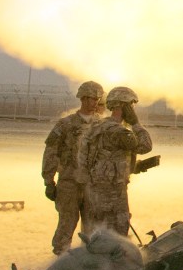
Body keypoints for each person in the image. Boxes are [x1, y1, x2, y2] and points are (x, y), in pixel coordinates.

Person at [77, 86, 153, 237]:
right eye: (131, 106)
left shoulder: (95, 127)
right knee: (117, 234)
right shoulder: (118, 131)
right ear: (124, 106)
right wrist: (135, 123)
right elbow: (146, 145)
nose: (133, 110)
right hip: (113, 193)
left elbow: (86, 158)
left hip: (92, 191)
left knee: (94, 233)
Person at [41, 80, 104, 254]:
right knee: (66, 224)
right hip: (69, 184)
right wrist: (49, 181)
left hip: (93, 185)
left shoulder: (102, 125)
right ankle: (60, 261)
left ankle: (90, 262)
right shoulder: (65, 125)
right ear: (83, 98)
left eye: (97, 99)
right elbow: (51, 152)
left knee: (93, 227)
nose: (95, 103)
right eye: (92, 98)